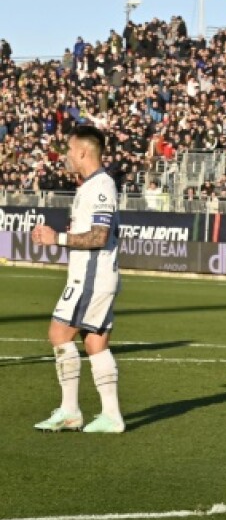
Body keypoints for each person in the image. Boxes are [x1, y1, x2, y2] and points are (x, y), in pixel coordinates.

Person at [31, 125, 126, 433]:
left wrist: (56, 238)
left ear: (84, 151)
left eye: (70, 150)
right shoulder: (92, 185)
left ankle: (70, 411)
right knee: (95, 342)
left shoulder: (100, 186)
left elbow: (99, 236)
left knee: (59, 334)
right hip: (97, 276)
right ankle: (111, 416)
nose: (67, 156)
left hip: (92, 277)